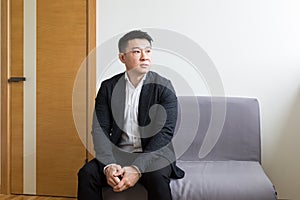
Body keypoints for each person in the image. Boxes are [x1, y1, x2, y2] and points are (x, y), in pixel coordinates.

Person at [77, 30, 184, 200]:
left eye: (148, 51)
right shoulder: (108, 87)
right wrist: (109, 165)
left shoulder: (164, 86)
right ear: (122, 58)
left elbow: (164, 134)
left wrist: (137, 168)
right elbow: (100, 129)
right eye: (136, 51)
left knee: (156, 177)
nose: (144, 57)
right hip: (118, 154)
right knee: (87, 173)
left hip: (154, 154)